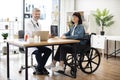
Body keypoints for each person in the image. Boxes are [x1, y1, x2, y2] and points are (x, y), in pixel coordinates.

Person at [25, 8, 51, 75]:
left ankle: (39, 67)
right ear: (32, 14)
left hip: (38, 44)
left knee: (49, 50)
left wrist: (46, 36)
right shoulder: (28, 23)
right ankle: (42, 68)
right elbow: (32, 34)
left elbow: (39, 34)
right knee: (38, 52)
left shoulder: (39, 23)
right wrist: (38, 35)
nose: (37, 15)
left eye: (38, 14)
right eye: (36, 14)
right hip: (30, 45)